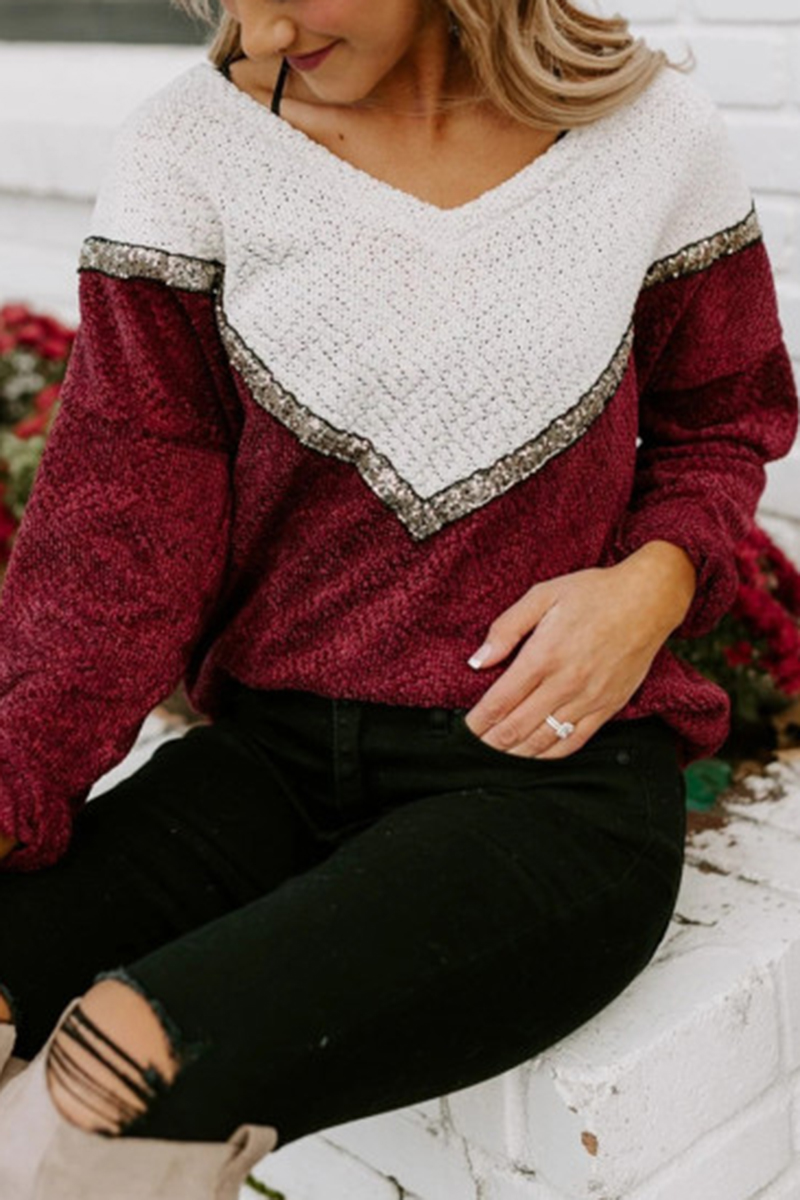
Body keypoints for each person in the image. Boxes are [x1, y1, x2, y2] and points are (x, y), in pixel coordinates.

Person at [0, 1, 797, 1196]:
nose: (261, 32)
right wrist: (19, 774)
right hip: (269, 763)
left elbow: (721, 417)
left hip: (546, 787)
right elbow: (122, 530)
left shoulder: (650, 135)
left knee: (121, 1073)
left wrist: (652, 579)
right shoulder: (188, 152)